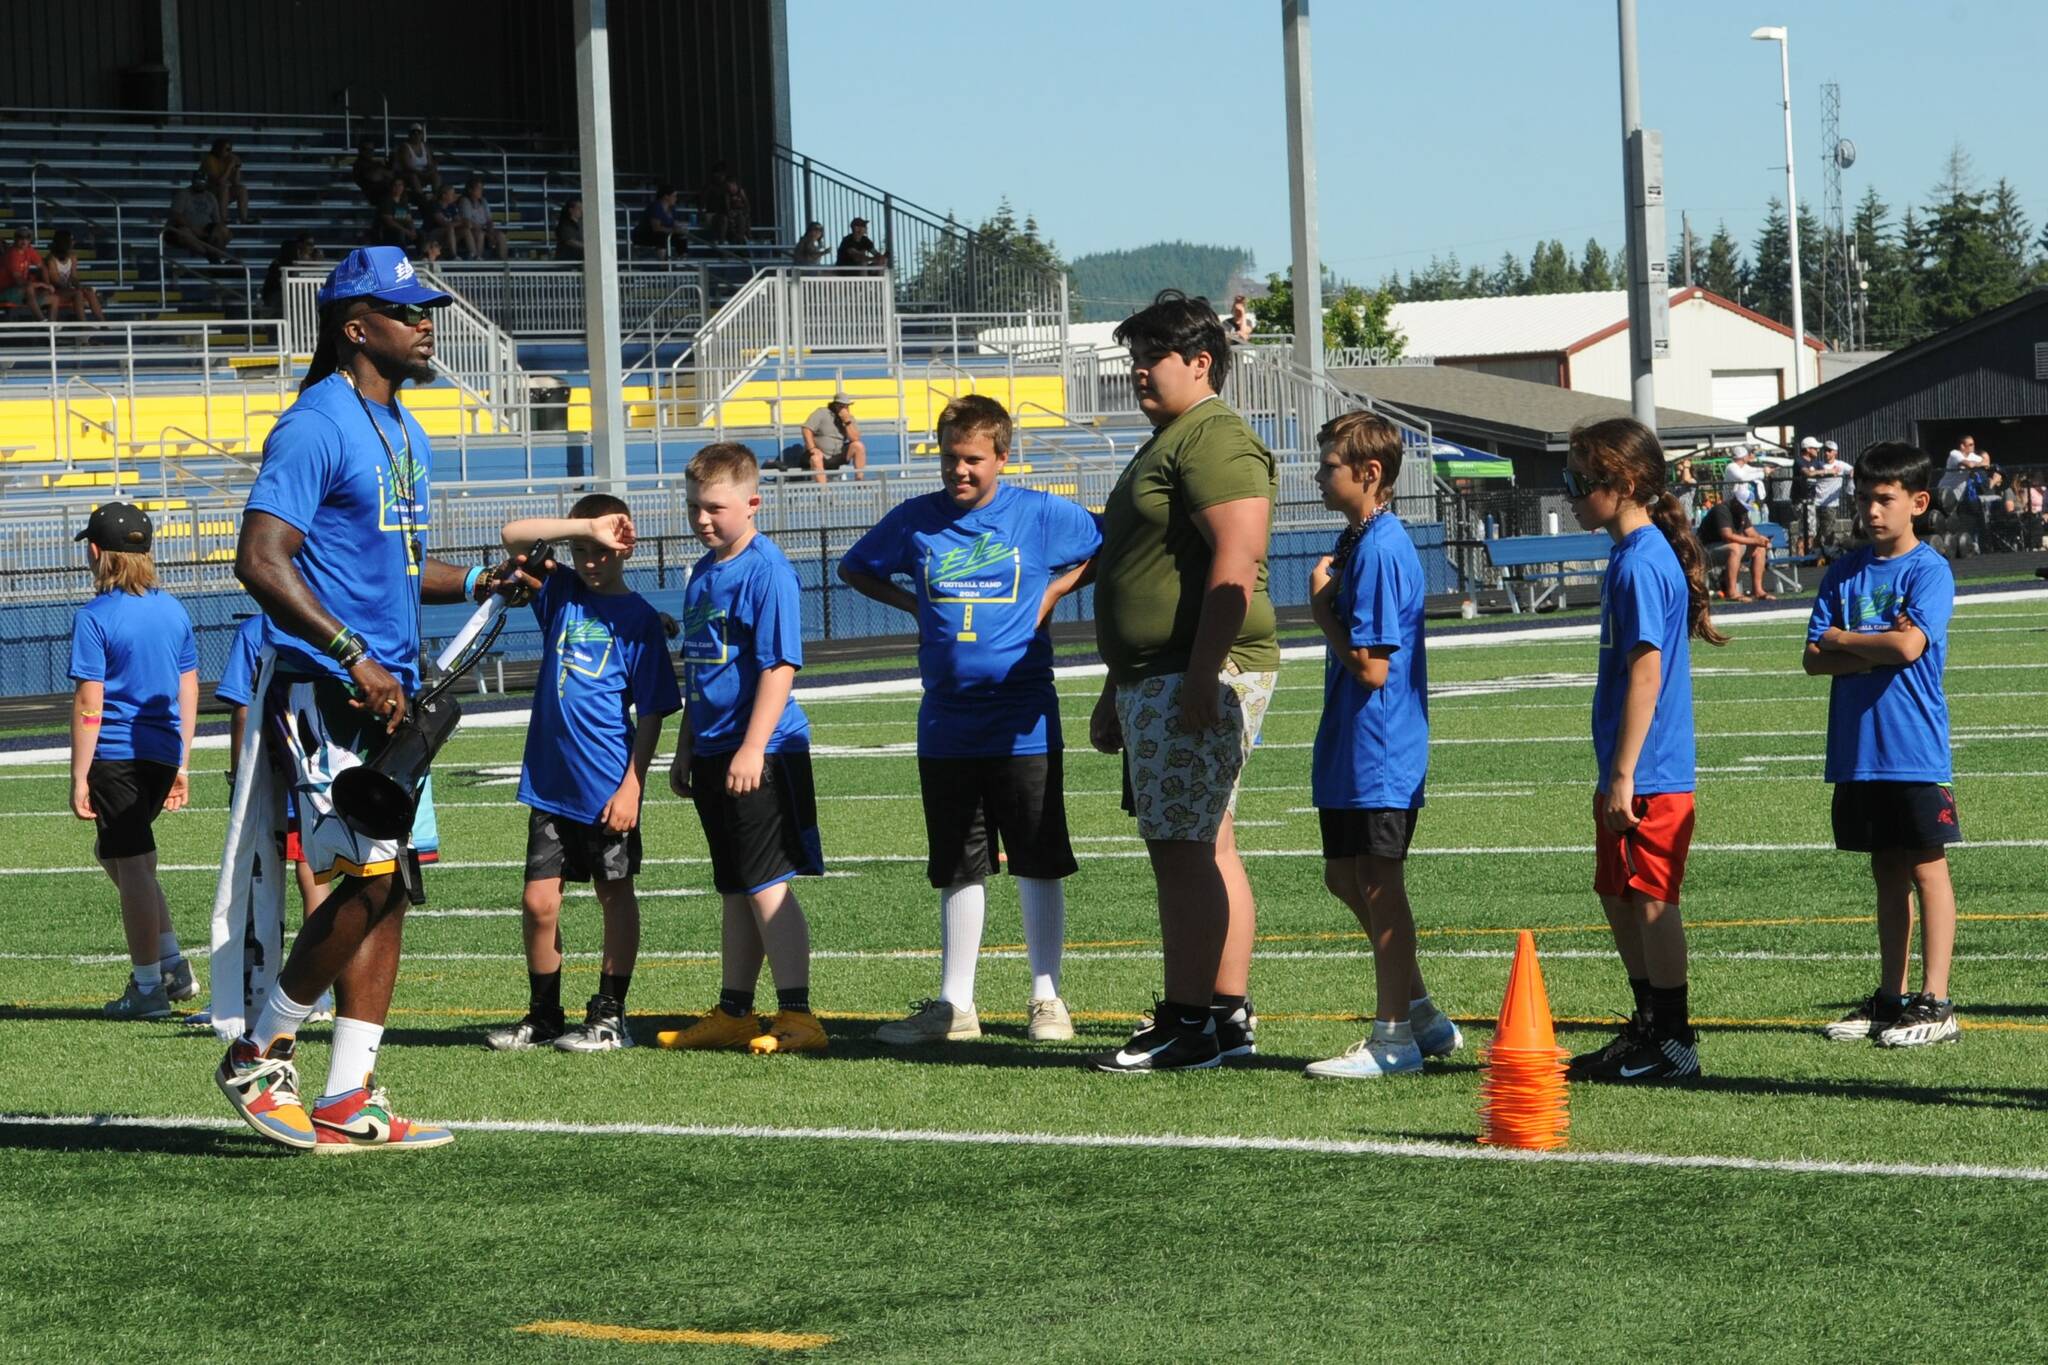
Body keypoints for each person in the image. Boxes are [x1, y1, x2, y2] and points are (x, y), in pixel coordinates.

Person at [213, 245, 501, 1153]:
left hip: (392, 698)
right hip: (325, 692)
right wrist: (349, 654)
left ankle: (349, 1092)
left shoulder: (404, 429)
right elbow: (260, 559)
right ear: (354, 326)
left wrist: (491, 578)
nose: (427, 325)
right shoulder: (315, 424)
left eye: (428, 311)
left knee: (395, 890)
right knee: (365, 876)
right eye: (407, 311)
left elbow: (405, 572)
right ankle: (259, 1049)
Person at [839, 396, 1101, 1046]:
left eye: (973, 459)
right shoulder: (916, 520)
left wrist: (1058, 588)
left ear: (1003, 458)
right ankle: (956, 1003)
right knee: (959, 863)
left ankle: (1047, 997)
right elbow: (855, 566)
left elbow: (1106, 540)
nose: (960, 470)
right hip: (947, 724)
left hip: (1024, 720)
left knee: (1038, 858)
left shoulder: (1040, 513)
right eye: (951, 457)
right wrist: (912, 604)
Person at [1087, 290, 1279, 1073]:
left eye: (1152, 355)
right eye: (1134, 355)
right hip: (1162, 669)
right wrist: (1116, 680)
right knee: (1208, 841)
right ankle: (1222, 1014)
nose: (1137, 369)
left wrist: (1203, 671)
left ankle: (1188, 1020)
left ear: (1201, 361)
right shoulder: (1176, 435)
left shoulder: (1213, 437)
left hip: (1196, 668)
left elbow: (1237, 558)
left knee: (1181, 847)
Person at [1558, 417, 1730, 1084]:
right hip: (1628, 767)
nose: (1571, 492)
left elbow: (1646, 674)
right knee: (1618, 892)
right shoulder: (1630, 555)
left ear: (1623, 483)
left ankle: (1675, 1038)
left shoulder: (1641, 561)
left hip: (1649, 768)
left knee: (1652, 897)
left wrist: (1625, 773)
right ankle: (1650, 1023)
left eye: (1581, 480)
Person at [484, 499, 682, 1054]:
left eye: (601, 551)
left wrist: (632, 786)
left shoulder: (639, 618)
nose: (590, 561)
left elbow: (654, 711)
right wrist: (582, 526)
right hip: (551, 785)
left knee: (613, 894)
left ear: (625, 548)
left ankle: (609, 1015)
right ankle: (544, 1014)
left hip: (606, 786)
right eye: (581, 551)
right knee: (538, 902)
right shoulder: (562, 594)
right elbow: (512, 533)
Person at [1301, 412, 1463, 1079]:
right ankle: (1419, 1009)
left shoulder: (1381, 547)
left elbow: (1372, 667)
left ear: (1370, 474)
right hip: (1351, 745)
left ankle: (1392, 1034)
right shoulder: (1358, 539)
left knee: (1378, 881)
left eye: (1329, 465)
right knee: (1345, 876)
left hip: (1380, 748)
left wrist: (1321, 618)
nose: (1317, 476)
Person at [659, 444, 826, 1055]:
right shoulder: (703, 569)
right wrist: (686, 745)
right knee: (734, 883)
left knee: (765, 882)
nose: (703, 519)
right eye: (694, 507)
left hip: (764, 749)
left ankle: (798, 1014)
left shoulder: (767, 569)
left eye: (715, 508)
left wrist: (752, 748)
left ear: (752, 502)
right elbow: (700, 670)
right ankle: (734, 1009)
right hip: (713, 747)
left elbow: (780, 666)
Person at [1805, 442, 1962, 1048]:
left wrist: (1847, 640)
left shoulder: (1928, 570)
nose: (1870, 511)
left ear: (1917, 503)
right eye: (1864, 498)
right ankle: (1891, 998)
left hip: (1913, 746)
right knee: (1885, 870)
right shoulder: (1843, 572)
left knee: (1927, 866)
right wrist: (1865, 642)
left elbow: (1909, 648)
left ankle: (1937, 1000)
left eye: (1884, 499)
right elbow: (1813, 660)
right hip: (1858, 748)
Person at [67, 502, 199, 1020]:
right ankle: (170, 965)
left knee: (132, 864)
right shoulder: (173, 608)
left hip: (118, 753)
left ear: (97, 552)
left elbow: (89, 703)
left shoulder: (96, 616)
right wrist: (182, 759)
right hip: (163, 750)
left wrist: (79, 775)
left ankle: (149, 986)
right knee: (124, 856)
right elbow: (188, 686)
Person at [1699, 487, 1773, 601]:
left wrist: (1762, 540)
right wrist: (1755, 540)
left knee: (1759, 549)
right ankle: (1732, 592)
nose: (1746, 511)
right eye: (1744, 507)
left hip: (1723, 548)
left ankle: (1758, 591)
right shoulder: (1721, 510)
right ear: (1736, 502)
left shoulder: (1742, 512)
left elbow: (1751, 532)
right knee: (1735, 548)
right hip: (1705, 551)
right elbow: (1727, 536)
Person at [787, 393, 868, 484]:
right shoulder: (821, 412)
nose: (844, 408)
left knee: (858, 446)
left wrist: (847, 422)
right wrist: (812, 448)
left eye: (846, 406)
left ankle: (859, 481)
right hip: (820, 454)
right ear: (835, 405)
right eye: (841, 406)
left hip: (837, 454)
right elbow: (806, 429)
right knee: (816, 458)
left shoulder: (849, 418)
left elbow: (855, 438)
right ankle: (824, 492)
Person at [164, 174, 232, 263]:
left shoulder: (210, 196)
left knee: (224, 231)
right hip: (184, 228)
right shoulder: (183, 194)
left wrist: (217, 231)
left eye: (202, 182)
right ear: (192, 181)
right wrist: (194, 229)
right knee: (185, 232)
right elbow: (176, 215)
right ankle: (210, 256)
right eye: (198, 181)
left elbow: (217, 221)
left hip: (205, 229)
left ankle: (216, 255)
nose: (200, 184)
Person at [42, 230, 106, 322]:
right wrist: (74, 288)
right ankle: (83, 324)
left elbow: (73, 276)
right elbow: (55, 281)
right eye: (71, 239)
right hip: (56, 291)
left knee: (89, 291)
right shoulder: (51, 259)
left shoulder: (73, 257)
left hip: (69, 288)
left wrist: (79, 285)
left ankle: (103, 323)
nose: (73, 242)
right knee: (78, 293)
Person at [261, 234, 320, 316]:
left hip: (292, 295)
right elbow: (279, 284)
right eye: (309, 244)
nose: (312, 247)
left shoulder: (301, 262)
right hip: (277, 295)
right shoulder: (281, 264)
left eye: (313, 245)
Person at [2, 226, 53, 320]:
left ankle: (52, 327)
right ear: (15, 239)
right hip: (5, 290)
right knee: (29, 287)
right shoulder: (12, 254)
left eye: (27, 238)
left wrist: (47, 284)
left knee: (54, 298)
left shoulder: (29, 250)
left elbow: (43, 267)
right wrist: (41, 284)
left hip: (20, 290)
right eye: (21, 238)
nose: (24, 241)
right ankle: (42, 320)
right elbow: (19, 281)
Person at [200, 138, 253, 225]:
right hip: (209, 192)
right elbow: (219, 181)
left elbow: (236, 182)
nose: (229, 152)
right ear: (219, 149)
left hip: (223, 191)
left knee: (241, 189)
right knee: (224, 186)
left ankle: (244, 218)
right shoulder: (209, 159)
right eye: (227, 149)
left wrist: (237, 167)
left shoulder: (228, 160)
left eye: (230, 150)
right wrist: (229, 166)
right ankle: (223, 218)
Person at [457, 178, 508, 262]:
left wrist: (491, 233)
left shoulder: (483, 201)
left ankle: (503, 262)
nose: (481, 191)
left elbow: (489, 220)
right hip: (472, 230)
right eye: (478, 188)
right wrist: (484, 232)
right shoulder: (465, 201)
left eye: (481, 188)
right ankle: (478, 259)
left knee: (501, 235)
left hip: (484, 229)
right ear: (470, 190)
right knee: (480, 234)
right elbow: (467, 221)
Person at [633, 185, 685, 259]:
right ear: (666, 196)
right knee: (661, 236)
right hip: (645, 234)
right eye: (674, 196)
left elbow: (675, 224)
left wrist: (680, 229)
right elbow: (656, 227)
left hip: (664, 234)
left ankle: (682, 259)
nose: (676, 199)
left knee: (681, 236)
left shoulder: (672, 209)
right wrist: (673, 230)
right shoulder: (656, 207)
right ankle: (663, 265)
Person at [1937, 434, 1990, 506]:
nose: (1973, 446)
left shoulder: (1973, 456)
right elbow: (1970, 465)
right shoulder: (1954, 454)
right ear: (1962, 446)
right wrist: (1975, 464)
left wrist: (1975, 464)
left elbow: (1986, 463)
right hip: (1944, 492)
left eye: (1974, 444)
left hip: (1959, 495)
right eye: (1971, 444)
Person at [393, 124, 442, 200]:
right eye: (414, 133)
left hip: (422, 173)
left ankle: (436, 196)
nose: (416, 135)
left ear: (422, 135)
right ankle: (421, 198)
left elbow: (429, 163)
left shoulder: (424, 146)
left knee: (436, 175)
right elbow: (407, 166)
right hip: (408, 174)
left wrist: (431, 169)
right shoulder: (405, 147)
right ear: (409, 134)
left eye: (419, 133)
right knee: (413, 176)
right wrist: (420, 173)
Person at [370, 178, 419, 253]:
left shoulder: (403, 202)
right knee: (399, 233)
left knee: (421, 235)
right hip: (388, 231)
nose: (398, 187)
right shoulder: (386, 201)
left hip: (403, 230)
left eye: (400, 185)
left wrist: (413, 230)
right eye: (395, 185)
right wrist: (406, 231)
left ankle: (421, 256)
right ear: (391, 187)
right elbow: (389, 222)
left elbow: (409, 219)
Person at [350, 138, 395, 206]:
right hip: (377, 196)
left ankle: (401, 216)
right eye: (366, 149)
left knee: (400, 197)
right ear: (360, 150)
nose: (369, 152)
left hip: (387, 193)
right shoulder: (358, 165)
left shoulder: (374, 163)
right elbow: (372, 177)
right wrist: (382, 171)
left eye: (371, 150)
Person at [554, 197, 584, 262]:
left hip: (579, 260)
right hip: (566, 262)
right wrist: (588, 247)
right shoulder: (564, 225)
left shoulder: (582, 223)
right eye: (579, 208)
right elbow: (570, 241)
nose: (581, 210)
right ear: (571, 210)